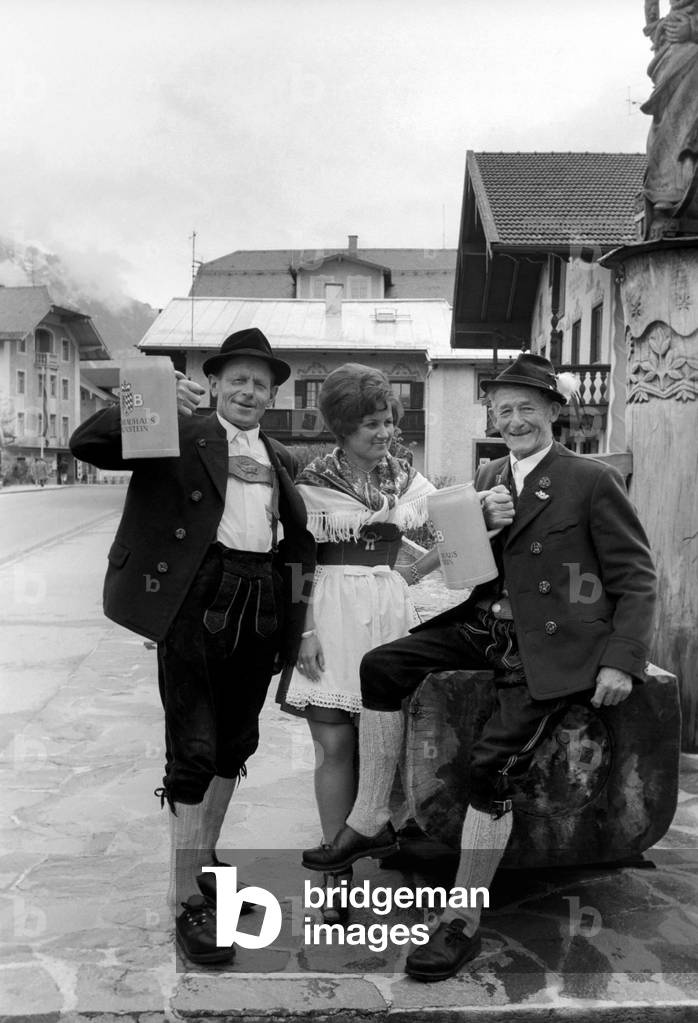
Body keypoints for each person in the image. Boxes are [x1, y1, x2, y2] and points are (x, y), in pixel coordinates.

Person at [303, 352, 657, 982]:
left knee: (489, 767)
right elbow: (467, 564)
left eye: (527, 408)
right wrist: (482, 527)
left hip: (552, 645)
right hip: (485, 624)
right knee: (383, 667)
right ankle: (371, 817)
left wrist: (622, 661)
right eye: (504, 411)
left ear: (553, 412)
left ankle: (462, 919)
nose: (515, 420)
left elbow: (636, 577)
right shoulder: (490, 471)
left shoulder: (591, 479)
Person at [70, 328, 315, 966]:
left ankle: (204, 864)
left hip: (260, 603)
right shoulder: (174, 432)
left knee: (236, 744)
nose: (248, 391)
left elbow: (293, 546)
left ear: (272, 395)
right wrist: (146, 399)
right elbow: (87, 443)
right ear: (213, 384)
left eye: (260, 384)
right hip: (195, 600)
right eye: (237, 379)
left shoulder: (280, 458)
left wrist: (298, 621)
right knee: (194, 749)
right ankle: (184, 901)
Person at [278, 364, 438, 920]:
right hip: (329, 609)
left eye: (388, 421)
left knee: (386, 737)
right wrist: (302, 630)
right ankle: (336, 871)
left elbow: (450, 527)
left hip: (388, 608)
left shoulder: (407, 478)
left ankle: (383, 831)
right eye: (371, 424)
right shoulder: (312, 479)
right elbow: (294, 560)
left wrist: (413, 576)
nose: (384, 432)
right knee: (335, 743)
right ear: (342, 428)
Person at [641, 0, 698, 235]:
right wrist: (657, 27)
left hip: (691, 44)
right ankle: (666, 195)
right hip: (673, 46)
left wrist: (694, 30)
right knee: (668, 123)